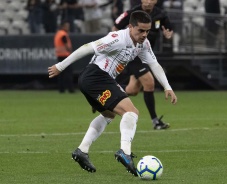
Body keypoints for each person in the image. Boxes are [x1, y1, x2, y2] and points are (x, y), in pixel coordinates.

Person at [48, 10, 177, 175]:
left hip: (94, 80)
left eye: (147, 31)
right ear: (130, 27)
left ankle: (82, 150)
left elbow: (154, 64)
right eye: (141, 30)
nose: (144, 34)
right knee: (131, 112)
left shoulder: (143, 44)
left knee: (109, 115)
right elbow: (87, 48)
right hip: (96, 76)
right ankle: (125, 151)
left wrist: (167, 87)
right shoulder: (116, 38)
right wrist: (60, 66)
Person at [113, 0, 174, 130]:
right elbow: (116, 25)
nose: (147, 2)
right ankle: (155, 121)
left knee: (132, 90)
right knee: (149, 82)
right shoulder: (132, 13)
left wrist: (168, 34)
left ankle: (105, 93)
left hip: (146, 54)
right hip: (133, 54)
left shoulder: (161, 15)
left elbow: (169, 29)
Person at [53, 20, 75, 93]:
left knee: (61, 74)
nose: (68, 28)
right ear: (63, 26)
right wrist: (70, 51)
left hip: (59, 55)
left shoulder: (58, 33)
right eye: (67, 26)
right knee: (68, 73)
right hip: (65, 55)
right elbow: (65, 44)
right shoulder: (63, 34)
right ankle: (70, 89)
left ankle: (61, 89)